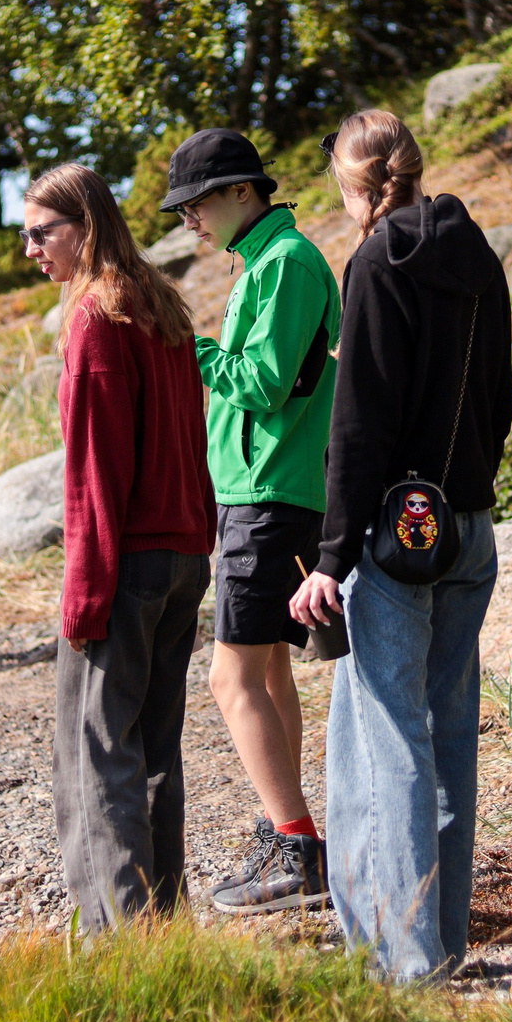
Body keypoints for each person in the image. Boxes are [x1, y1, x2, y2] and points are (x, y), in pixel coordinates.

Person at [290, 110, 512, 983]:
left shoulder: (377, 262)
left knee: (387, 744)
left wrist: (330, 557)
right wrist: (470, 493)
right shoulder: (479, 254)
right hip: (469, 526)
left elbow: (360, 425)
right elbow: (497, 396)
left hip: (392, 538)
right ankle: (443, 939)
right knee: (450, 733)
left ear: (354, 186)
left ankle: (404, 961)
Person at [26, 163, 217, 931]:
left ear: (85, 227)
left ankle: (124, 946)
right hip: (181, 557)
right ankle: (166, 928)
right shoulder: (159, 302)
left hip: (127, 566)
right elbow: (192, 437)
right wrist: (200, 533)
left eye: (41, 232)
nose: (30, 249)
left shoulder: (95, 318)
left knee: (96, 756)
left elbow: (94, 472)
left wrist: (84, 593)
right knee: (155, 751)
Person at [162, 129, 343, 914]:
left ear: (244, 191)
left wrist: (190, 351)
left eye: (197, 204)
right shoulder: (266, 262)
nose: (189, 220)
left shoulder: (286, 264)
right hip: (265, 490)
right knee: (268, 672)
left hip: (269, 496)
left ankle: (296, 847)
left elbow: (265, 383)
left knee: (228, 677)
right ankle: (287, 833)